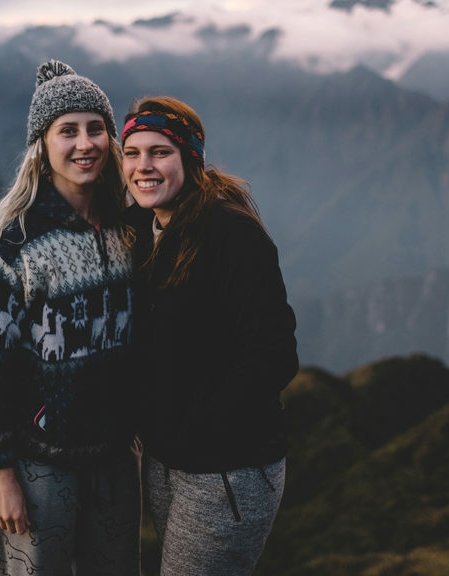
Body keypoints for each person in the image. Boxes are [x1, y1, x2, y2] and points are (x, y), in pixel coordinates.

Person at [0, 59, 139, 575]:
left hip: (114, 455)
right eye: (68, 131)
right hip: (41, 461)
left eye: (96, 128)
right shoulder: (15, 249)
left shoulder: (127, 228)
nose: (85, 143)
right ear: (42, 144)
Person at [122, 96, 298, 575]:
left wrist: (197, 427)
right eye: (132, 152)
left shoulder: (231, 234)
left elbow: (275, 353)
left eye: (160, 152)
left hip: (227, 469)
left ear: (191, 158)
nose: (144, 166)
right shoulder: (143, 227)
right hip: (166, 460)